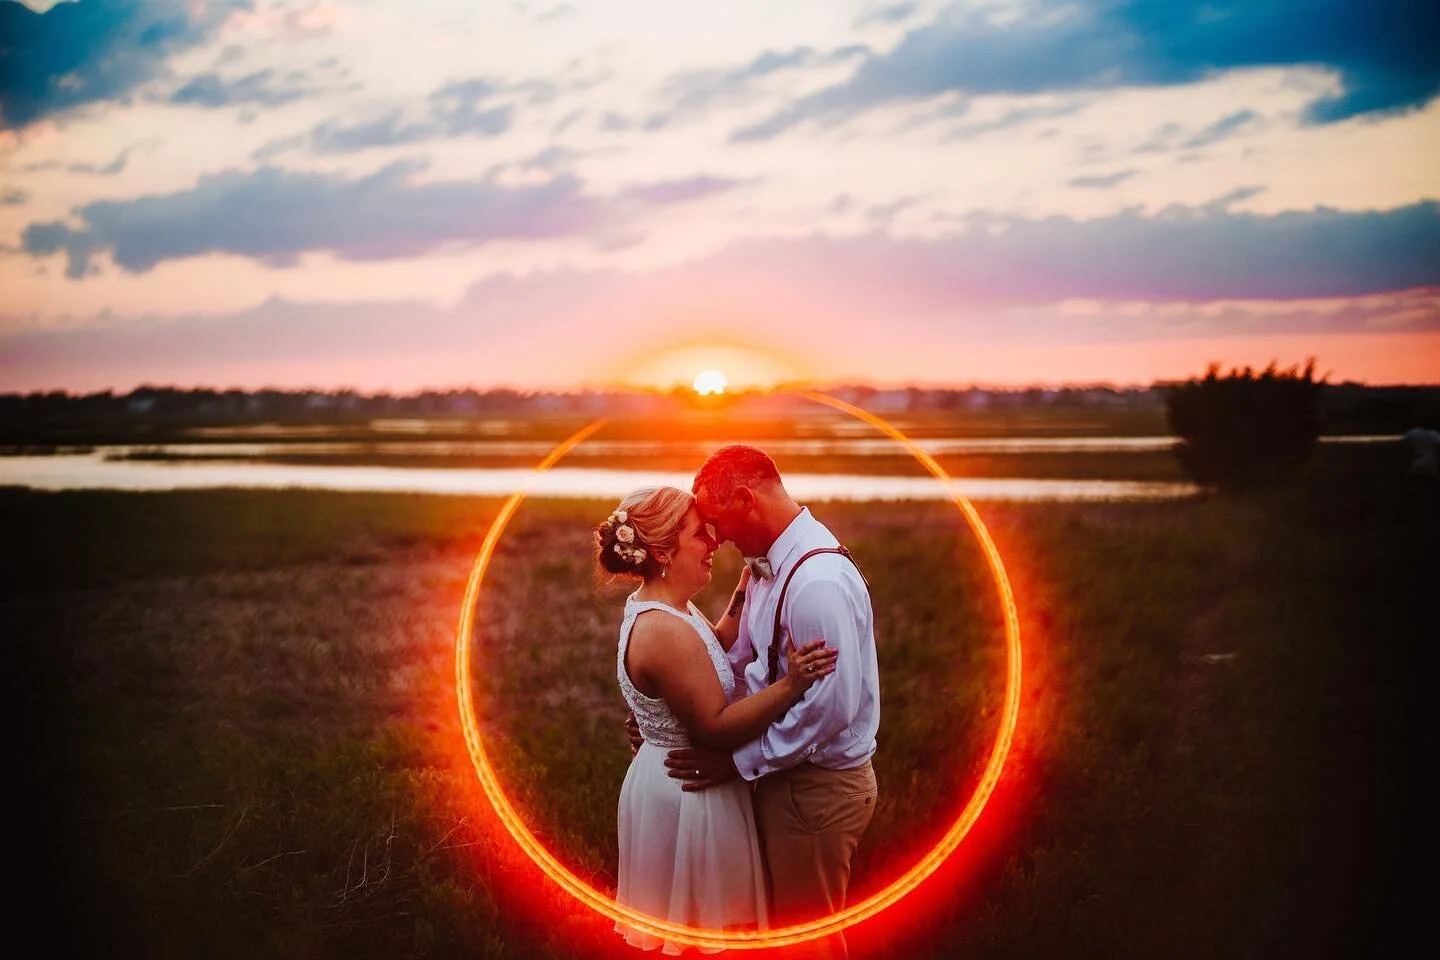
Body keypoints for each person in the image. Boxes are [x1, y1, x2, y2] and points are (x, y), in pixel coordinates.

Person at [596, 485, 839, 954]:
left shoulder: (670, 607)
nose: (713, 543)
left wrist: (745, 587)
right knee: (701, 937)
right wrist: (791, 684)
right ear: (665, 551)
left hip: (681, 779)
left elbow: (715, 646)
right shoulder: (663, 629)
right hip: (687, 793)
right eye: (698, 534)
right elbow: (715, 726)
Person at [665, 445, 881, 960]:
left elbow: (831, 710)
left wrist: (736, 763)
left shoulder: (816, 582)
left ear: (745, 499)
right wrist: (670, 712)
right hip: (786, 780)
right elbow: (740, 662)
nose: (717, 537)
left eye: (717, 521)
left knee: (809, 943)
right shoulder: (767, 568)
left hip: (815, 793)